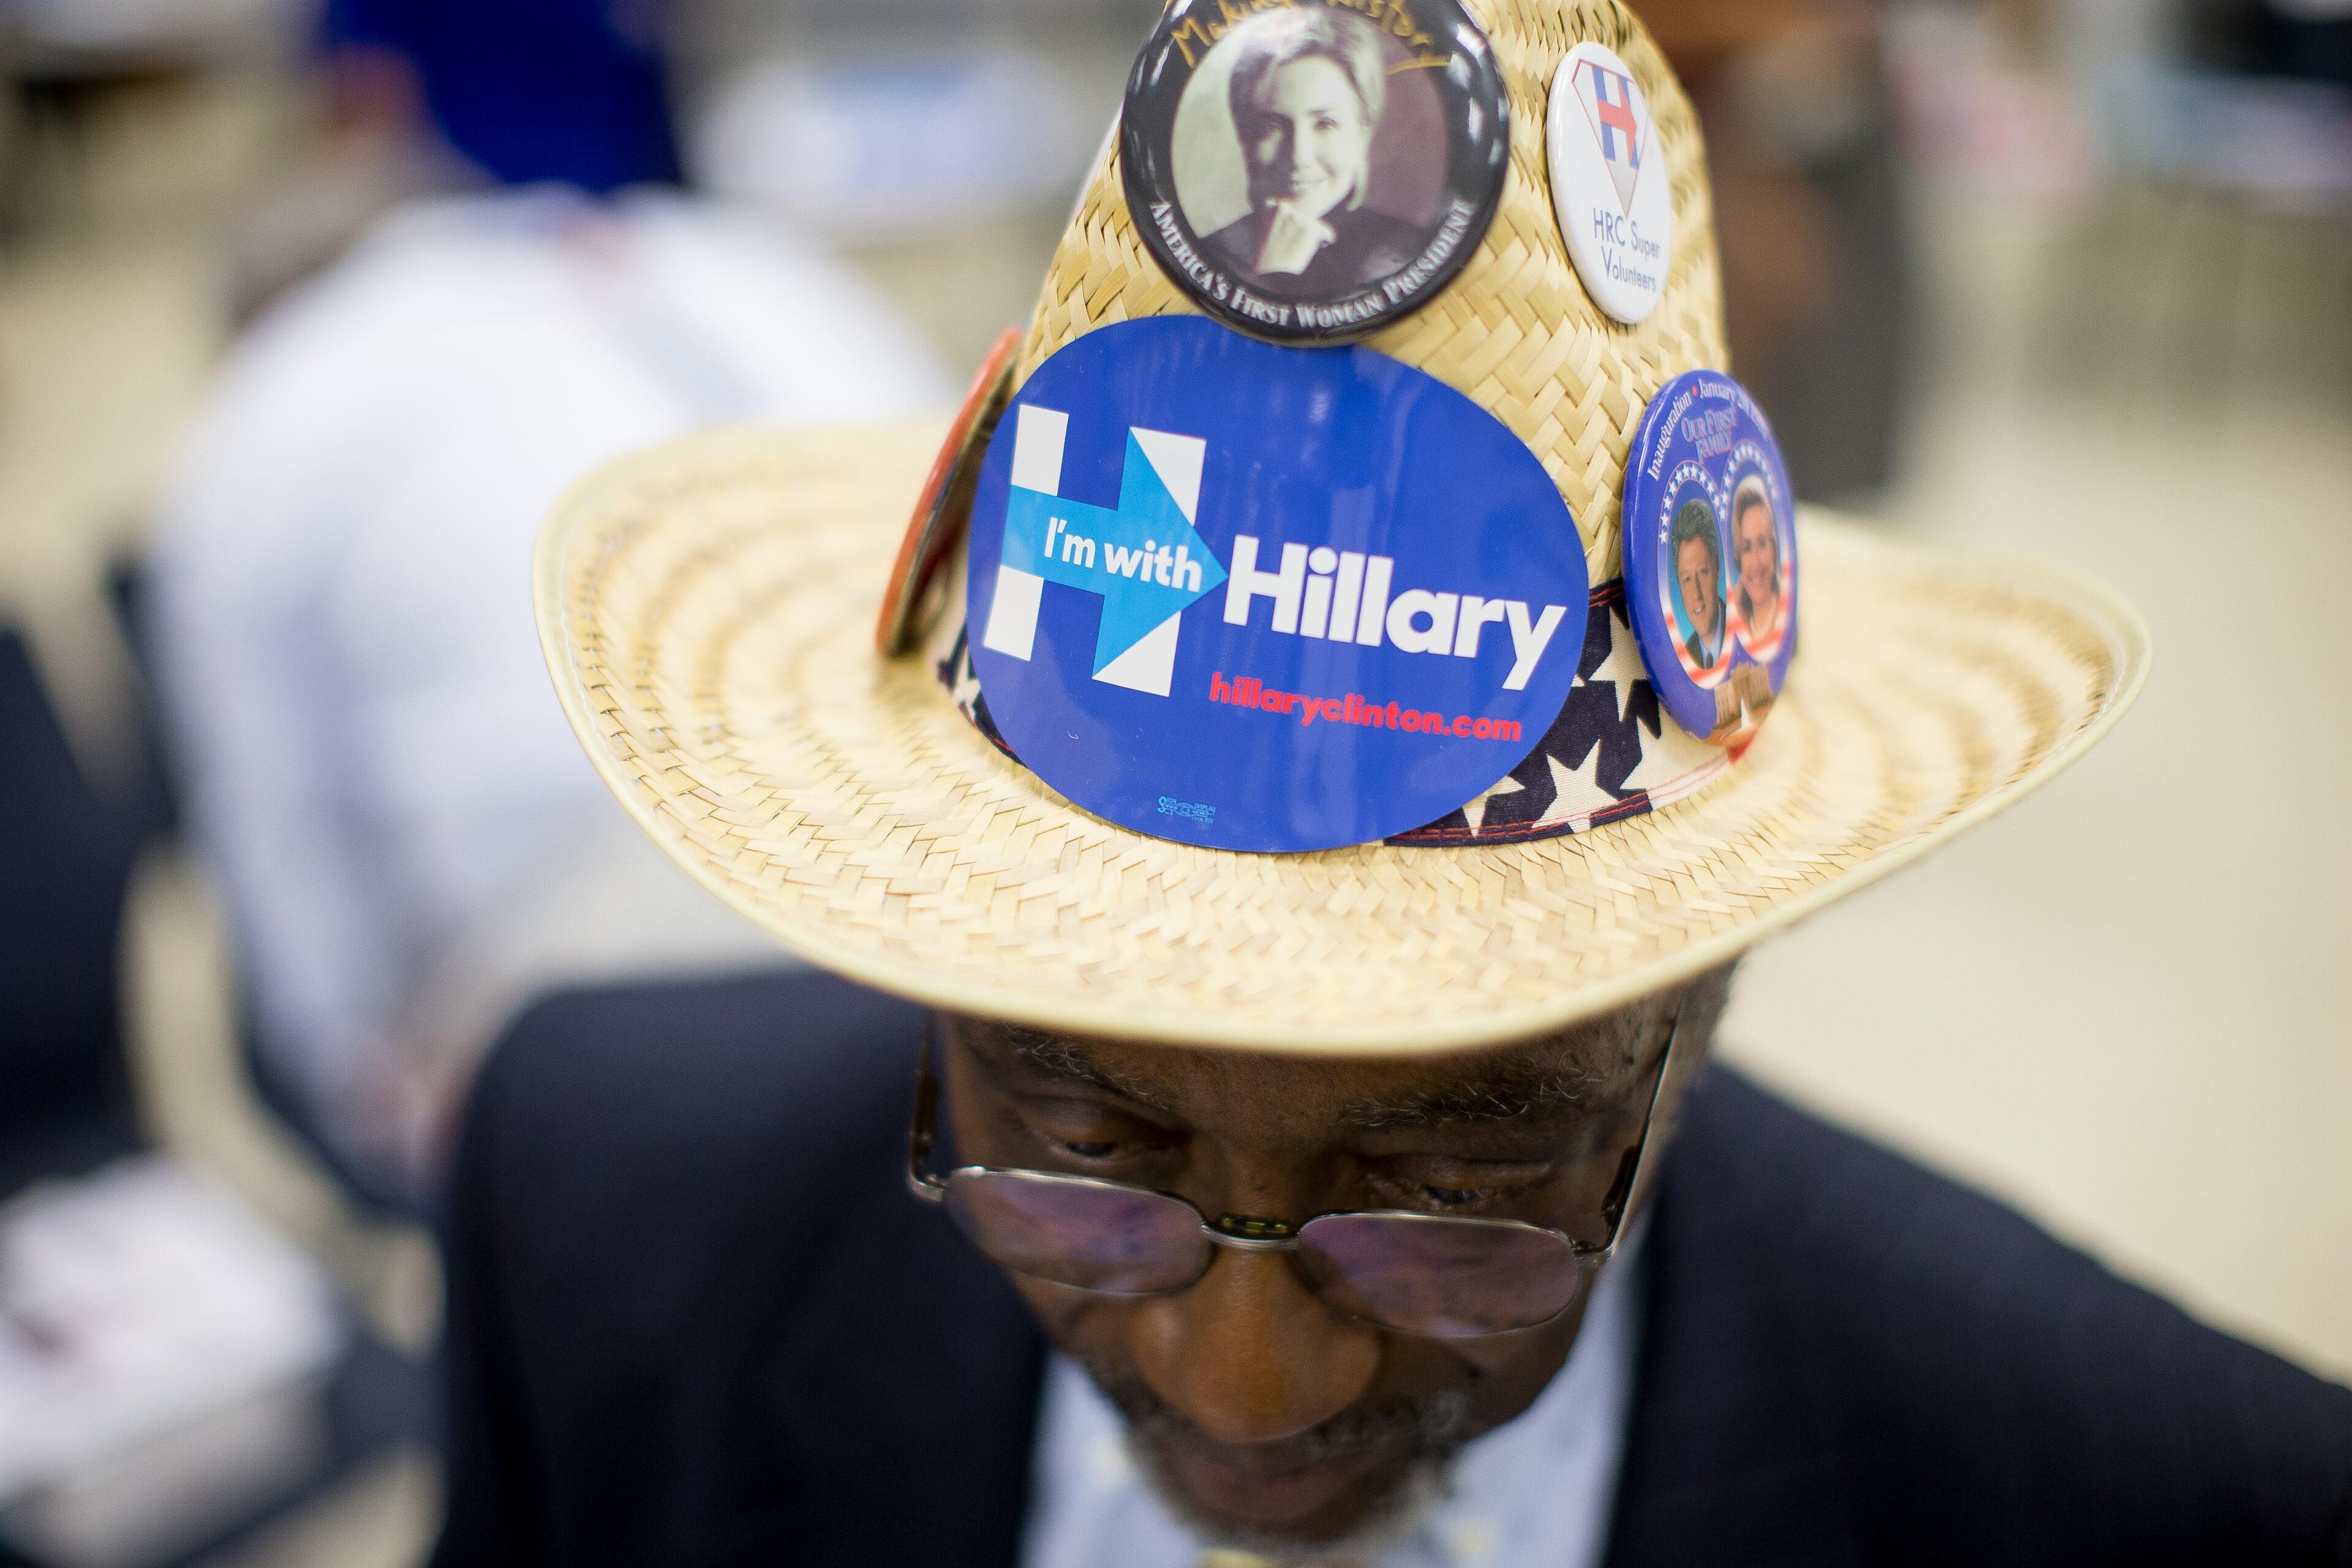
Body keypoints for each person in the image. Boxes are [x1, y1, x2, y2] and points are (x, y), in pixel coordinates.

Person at [431, 6, 2352, 1564]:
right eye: (1080, 1162)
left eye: (1454, 1191)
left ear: (1698, 1006)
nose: (1243, 1380)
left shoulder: (2172, 1497)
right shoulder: (591, 1213)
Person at [1204, 10, 1422, 295]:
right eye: (1272, 125)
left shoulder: (1405, 252)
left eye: (1325, 124)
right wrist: (1273, 270)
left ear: (1363, 134)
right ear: (1245, 136)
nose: (1298, 157)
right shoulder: (1211, 253)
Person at [1728, 475, 1785, 657]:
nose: (1755, 563)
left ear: (1775, 547)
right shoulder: (1733, 616)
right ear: (1738, 557)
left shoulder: (1783, 612)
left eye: (1762, 544)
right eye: (1746, 548)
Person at [1668, 498, 1725, 670]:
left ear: (1717, 569)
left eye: (1703, 572)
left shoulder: (1743, 629)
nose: (1696, 594)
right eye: (1687, 579)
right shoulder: (1685, 660)